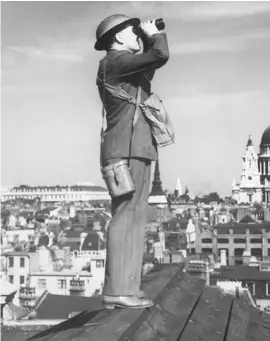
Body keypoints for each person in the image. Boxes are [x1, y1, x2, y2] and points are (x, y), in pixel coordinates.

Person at [94, 14, 169, 309]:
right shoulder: (114, 62)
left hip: (139, 148)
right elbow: (160, 55)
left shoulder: (125, 67)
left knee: (137, 220)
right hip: (125, 150)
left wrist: (146, 40)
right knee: (124, 217)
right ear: (118, 37)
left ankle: (129, 288)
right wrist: (152, 36)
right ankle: (115, 289)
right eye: (131, 31)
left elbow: (149, 67)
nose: (136, 34)